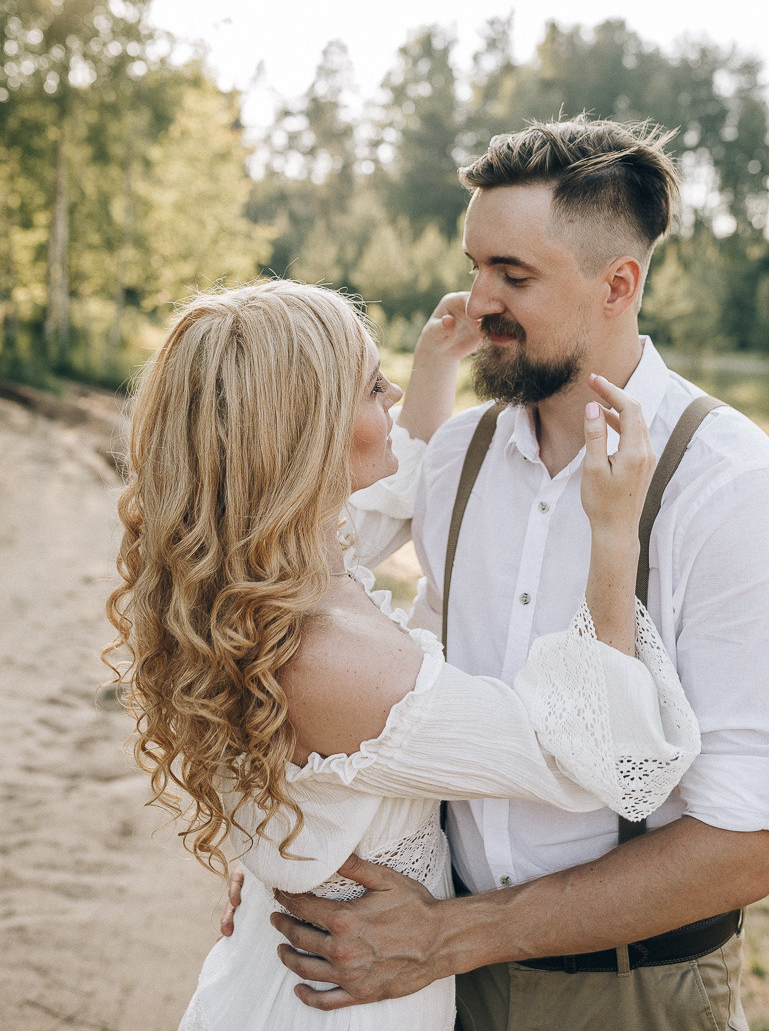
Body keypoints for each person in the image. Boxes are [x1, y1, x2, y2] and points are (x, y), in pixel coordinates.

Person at [265, 120, 769, 1031]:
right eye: (475, 263)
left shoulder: (732, 490)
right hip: (431, 983)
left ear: (618, 285)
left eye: (512, 276)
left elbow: (740, 846)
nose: (476, 299)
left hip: (628, 991)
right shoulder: (455, 458)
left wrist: (453, 937)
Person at [104, 277, 701, 1031]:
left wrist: (433, 363)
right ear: (304, 432)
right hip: (342, 1006)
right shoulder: (336, 660)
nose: (390, 398)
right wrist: (614, 533)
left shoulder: (253, 576)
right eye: (370, 387)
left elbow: (385, 491)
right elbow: (601, 758)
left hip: (268, 974)